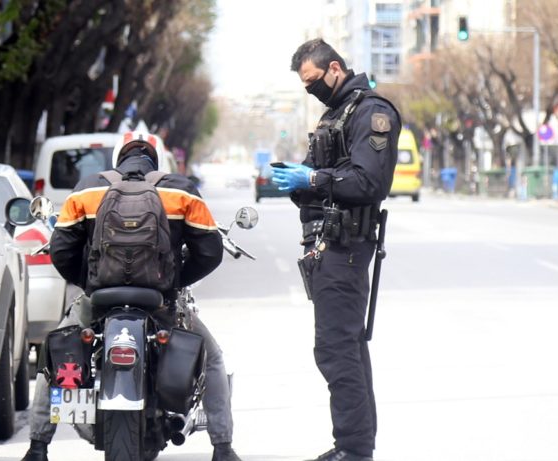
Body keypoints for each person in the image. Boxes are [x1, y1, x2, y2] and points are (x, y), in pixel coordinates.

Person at [21, 131, 242, 461]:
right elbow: (209, 253)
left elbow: (62, 251)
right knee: (212, 358)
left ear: (117, 158)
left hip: (99, 301)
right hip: (161, 301)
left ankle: (38, 446)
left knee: (53, 356)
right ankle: (223, 447)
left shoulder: (87, 189)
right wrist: (173, 283)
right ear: (157, 158)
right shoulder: (181, 191)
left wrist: (92, 285)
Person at [272, 39, 401, 461]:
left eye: (313, 81)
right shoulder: (335, 114)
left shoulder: (372, 112)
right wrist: (298, 180)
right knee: (347, 346)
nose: (311, 90)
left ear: (334, 68)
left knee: (336, 348)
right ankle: (355, 445)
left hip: (347, 246)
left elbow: (369, 183)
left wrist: (313, 180)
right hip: (326, 244)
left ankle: (354, 448)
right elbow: (319, 178)